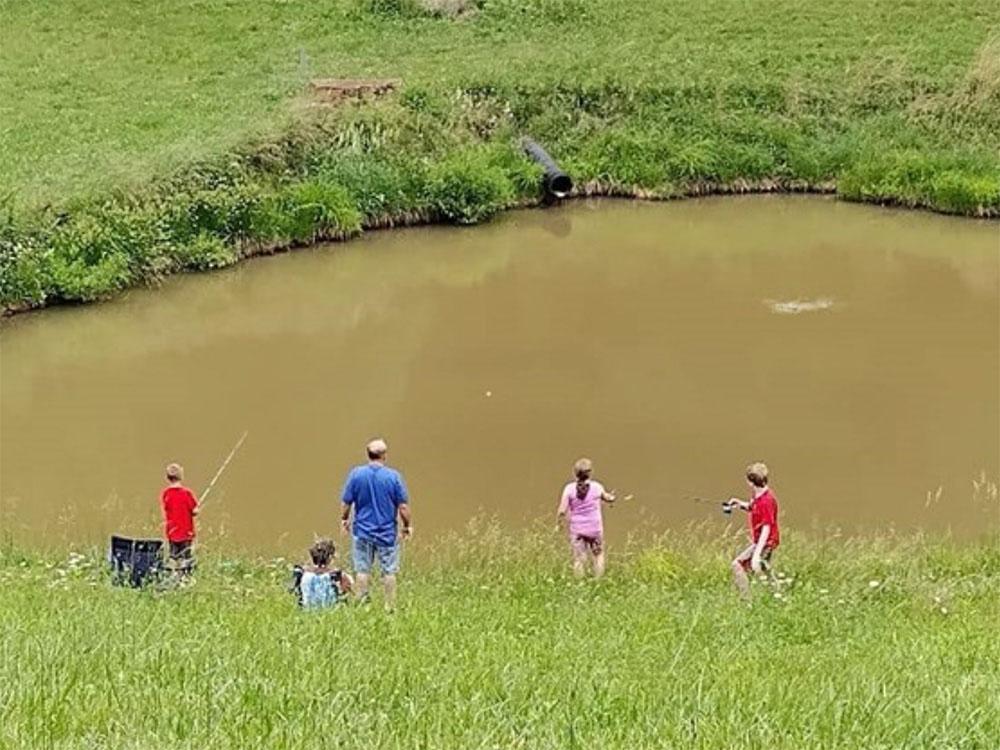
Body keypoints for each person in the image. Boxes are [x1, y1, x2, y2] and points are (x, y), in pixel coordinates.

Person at [339, 438, 411, 609]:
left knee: (362, 570)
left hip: (362, 531)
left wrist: (344, 519)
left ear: (368, 455)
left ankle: (363, 604)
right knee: (389, 571)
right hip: (387, 533)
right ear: (384, 456)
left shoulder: (356, 475)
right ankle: (390, 607)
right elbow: (403, 506)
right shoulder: (394, 477)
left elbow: (346, 502)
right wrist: (407, 526)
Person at [725, 461, 780, 600]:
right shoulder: (760, 494)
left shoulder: (766, 501)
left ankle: (746, 601)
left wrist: (756, 553)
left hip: (765, 542)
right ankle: (778, 596)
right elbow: (753, 507)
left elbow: (767, 527)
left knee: (738, 565)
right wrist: (739, 503)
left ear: (750, 482)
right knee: (765, 568)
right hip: (766, 541)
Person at [557, 458, 616, 578]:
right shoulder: (597, 487)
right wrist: (612, 498)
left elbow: (562, 510)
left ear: (575, 473)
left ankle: (579, 585)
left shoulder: (569, 489)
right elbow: (608, 498)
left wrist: (559, 524)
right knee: (598, 555)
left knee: (579, 559)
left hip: (577, 529)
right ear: (590, 473)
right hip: (595, 529)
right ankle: (598, 582)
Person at [160, 463, 199, 575]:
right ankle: (185, 576)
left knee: (174, 557)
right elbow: (195, 511)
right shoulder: (187, 493)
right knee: (186, 557)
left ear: (168, 477)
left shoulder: (165, 494)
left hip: (172, 532)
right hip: (186, 532)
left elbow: (167, 508)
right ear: (181, 476)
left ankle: (174, 574)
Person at [292, 538, 353, 609]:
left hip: (306, 608)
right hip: (331, 609)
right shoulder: (336, 574)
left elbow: (293, 590)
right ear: (330, 557)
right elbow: (348, 590)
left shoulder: (302, 572)